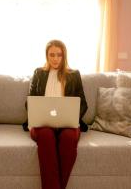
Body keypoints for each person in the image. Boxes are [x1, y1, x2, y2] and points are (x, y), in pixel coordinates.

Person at [22, 39, 88, 189]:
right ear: (46, 56)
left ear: (64, 56)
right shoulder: (39, 73)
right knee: (46, 135)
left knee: (68, 138)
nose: (55, 58)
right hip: (42, 124)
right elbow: (29, 102)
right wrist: (36, 110)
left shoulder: (74, 74)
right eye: (52, 54)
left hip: (67, 124)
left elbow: (83, 104)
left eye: (59, 55)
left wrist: (71, 117)